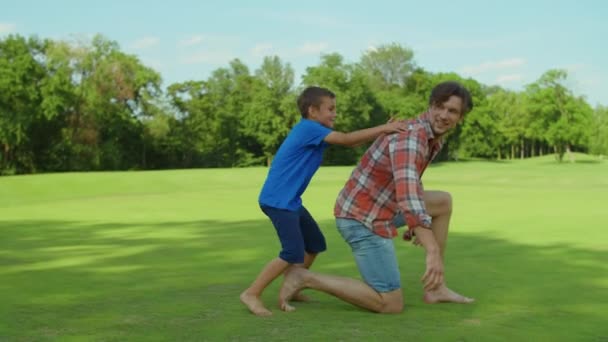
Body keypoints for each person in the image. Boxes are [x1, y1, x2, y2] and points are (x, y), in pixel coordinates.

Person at [278, 81, 475, 313]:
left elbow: (410, 181)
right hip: (361, 218)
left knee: (442, 202)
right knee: (390, 304)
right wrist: (430, 245)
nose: (444, 115)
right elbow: (408, 191)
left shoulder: (431, 137)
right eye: (440, 107)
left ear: (460, 117)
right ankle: (304, 278)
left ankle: (436, 289)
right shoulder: (412, 136)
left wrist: (419, 223)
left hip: (382, 207)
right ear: (431, 105)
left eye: (452, 111)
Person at [240, 86, 410, 316]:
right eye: (330, 109)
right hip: (278, 201)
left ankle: (295, 282)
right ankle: (252, 293)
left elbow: (351, 140)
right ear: (312, 110)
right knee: (292, 252)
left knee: (315, 244)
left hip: (290, 202)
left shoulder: (314, 131)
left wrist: (382, 132)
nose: (334, 113)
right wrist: (384, 128)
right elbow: (347, 140)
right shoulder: (309, 128)